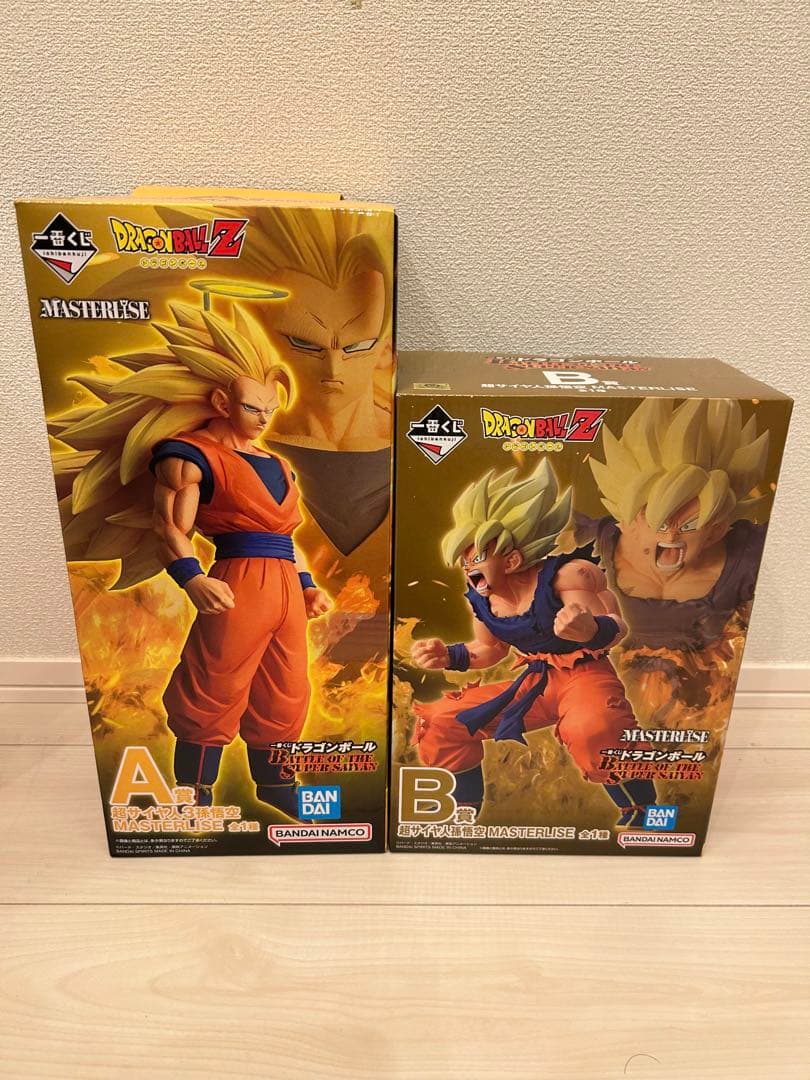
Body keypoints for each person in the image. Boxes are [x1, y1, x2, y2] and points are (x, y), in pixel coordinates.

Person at [51, 301, 331, 814]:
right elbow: (170, 528)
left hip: (286, 587)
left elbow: (286, 536)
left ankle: (276, 787)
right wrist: (192, 578)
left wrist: (308, 585)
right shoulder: (189, 455)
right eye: (252, 408)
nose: (263, 419)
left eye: (269, 410)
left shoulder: (278, 464)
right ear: (222, 401)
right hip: (236, 581)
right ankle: (194, 791)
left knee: (286, 689)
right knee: (214, 681)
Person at [410, 459, 657, 827]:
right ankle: (464, 809)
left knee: (594, 728)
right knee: (441, 721)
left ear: (512, 559)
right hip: (536, 682)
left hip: (585, 675)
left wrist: (589, 629)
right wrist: (448, 655)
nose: (468, 567)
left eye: (477, 557)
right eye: (464, 559)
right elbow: (489, 650)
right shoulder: (482, 598)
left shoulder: (567, 577)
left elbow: (617, 627)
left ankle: (643, 810)